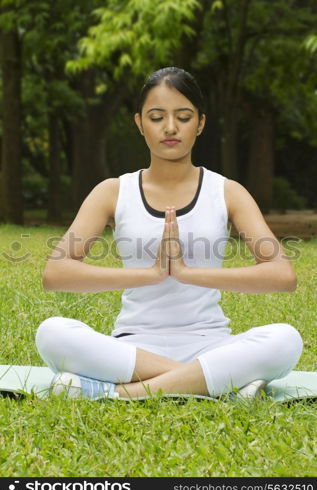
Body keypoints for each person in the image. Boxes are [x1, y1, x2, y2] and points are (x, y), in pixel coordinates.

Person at [36, 67, 303, 401]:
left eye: (184, 116)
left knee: (285, 339)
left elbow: (282, 275)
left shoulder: (227, 192)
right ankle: (212, 384)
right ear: (139, 123)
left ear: (201, 123)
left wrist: (189, 274)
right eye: (157, 117)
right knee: (52, 333)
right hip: (133, 349)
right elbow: (56, 272)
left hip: (211, 343)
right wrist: (150, 274)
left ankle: (119, 394)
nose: (171, 128)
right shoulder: (113, 191)